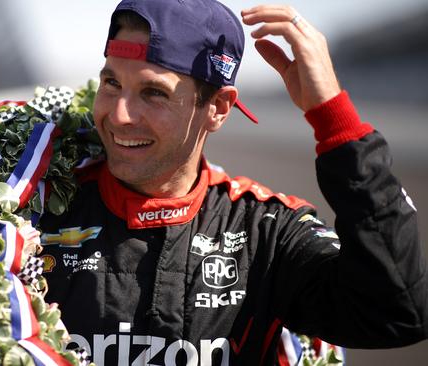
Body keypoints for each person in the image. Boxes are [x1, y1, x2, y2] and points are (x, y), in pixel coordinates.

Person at [38, 1, 428, 365]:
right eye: (111, 84)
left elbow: (397, 311)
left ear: (218, 108)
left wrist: (333, 118)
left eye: (153, 93)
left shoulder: (267, 233)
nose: (120, 115)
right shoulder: (34, 209)